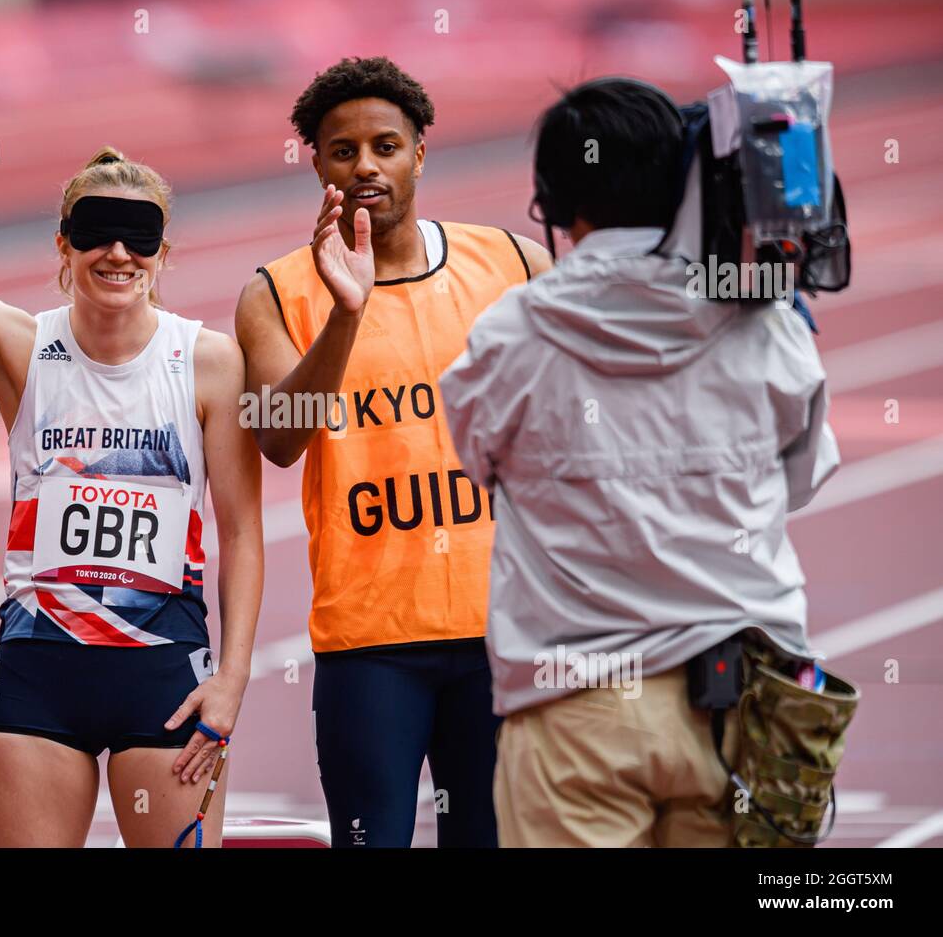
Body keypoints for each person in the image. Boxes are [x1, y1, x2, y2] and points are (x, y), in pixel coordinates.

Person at [0, 41, 263, 847]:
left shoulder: (207, 362)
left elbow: (243, 529)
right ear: (64, 246)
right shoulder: (18, 344)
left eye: (139, 237)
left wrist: (234, 678)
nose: (119, 253)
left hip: (165, 673)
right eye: (97, 233)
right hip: (40, 672)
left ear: (163, 255)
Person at [439, 77, 840, 847]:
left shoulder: (509, 336)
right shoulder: (767, 318)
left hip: (577, 706)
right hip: (756, 695)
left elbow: (477, 463)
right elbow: (803, 477)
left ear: (554, 204)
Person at [235, 56, 552, 847]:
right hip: (371, 641)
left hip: (500, 631)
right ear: (316, 162)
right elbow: (279, 440)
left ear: (420, 151)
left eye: (385, 145)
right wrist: (346, 312)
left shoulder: (514, 264)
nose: (366, 166)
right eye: (343, 151)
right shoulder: (276, 292)